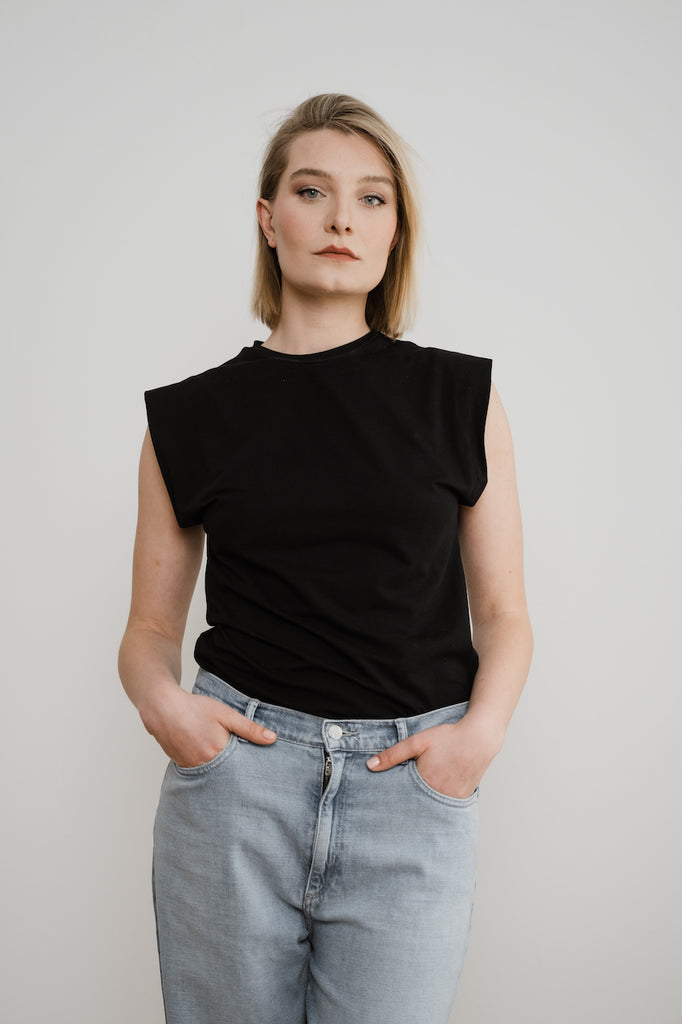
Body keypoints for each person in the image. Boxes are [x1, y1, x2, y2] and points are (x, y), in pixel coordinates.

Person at [118, 92, 533, 1024]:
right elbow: (147, 630)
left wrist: (478, 738)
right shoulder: (189, 417)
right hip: (237, 789)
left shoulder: (460, 398)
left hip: (411, 788)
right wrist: (165, 708)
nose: (343, 218)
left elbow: (506, 613)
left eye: (372, 198)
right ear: (269, 220)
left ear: (394, 231)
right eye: (313, 191)